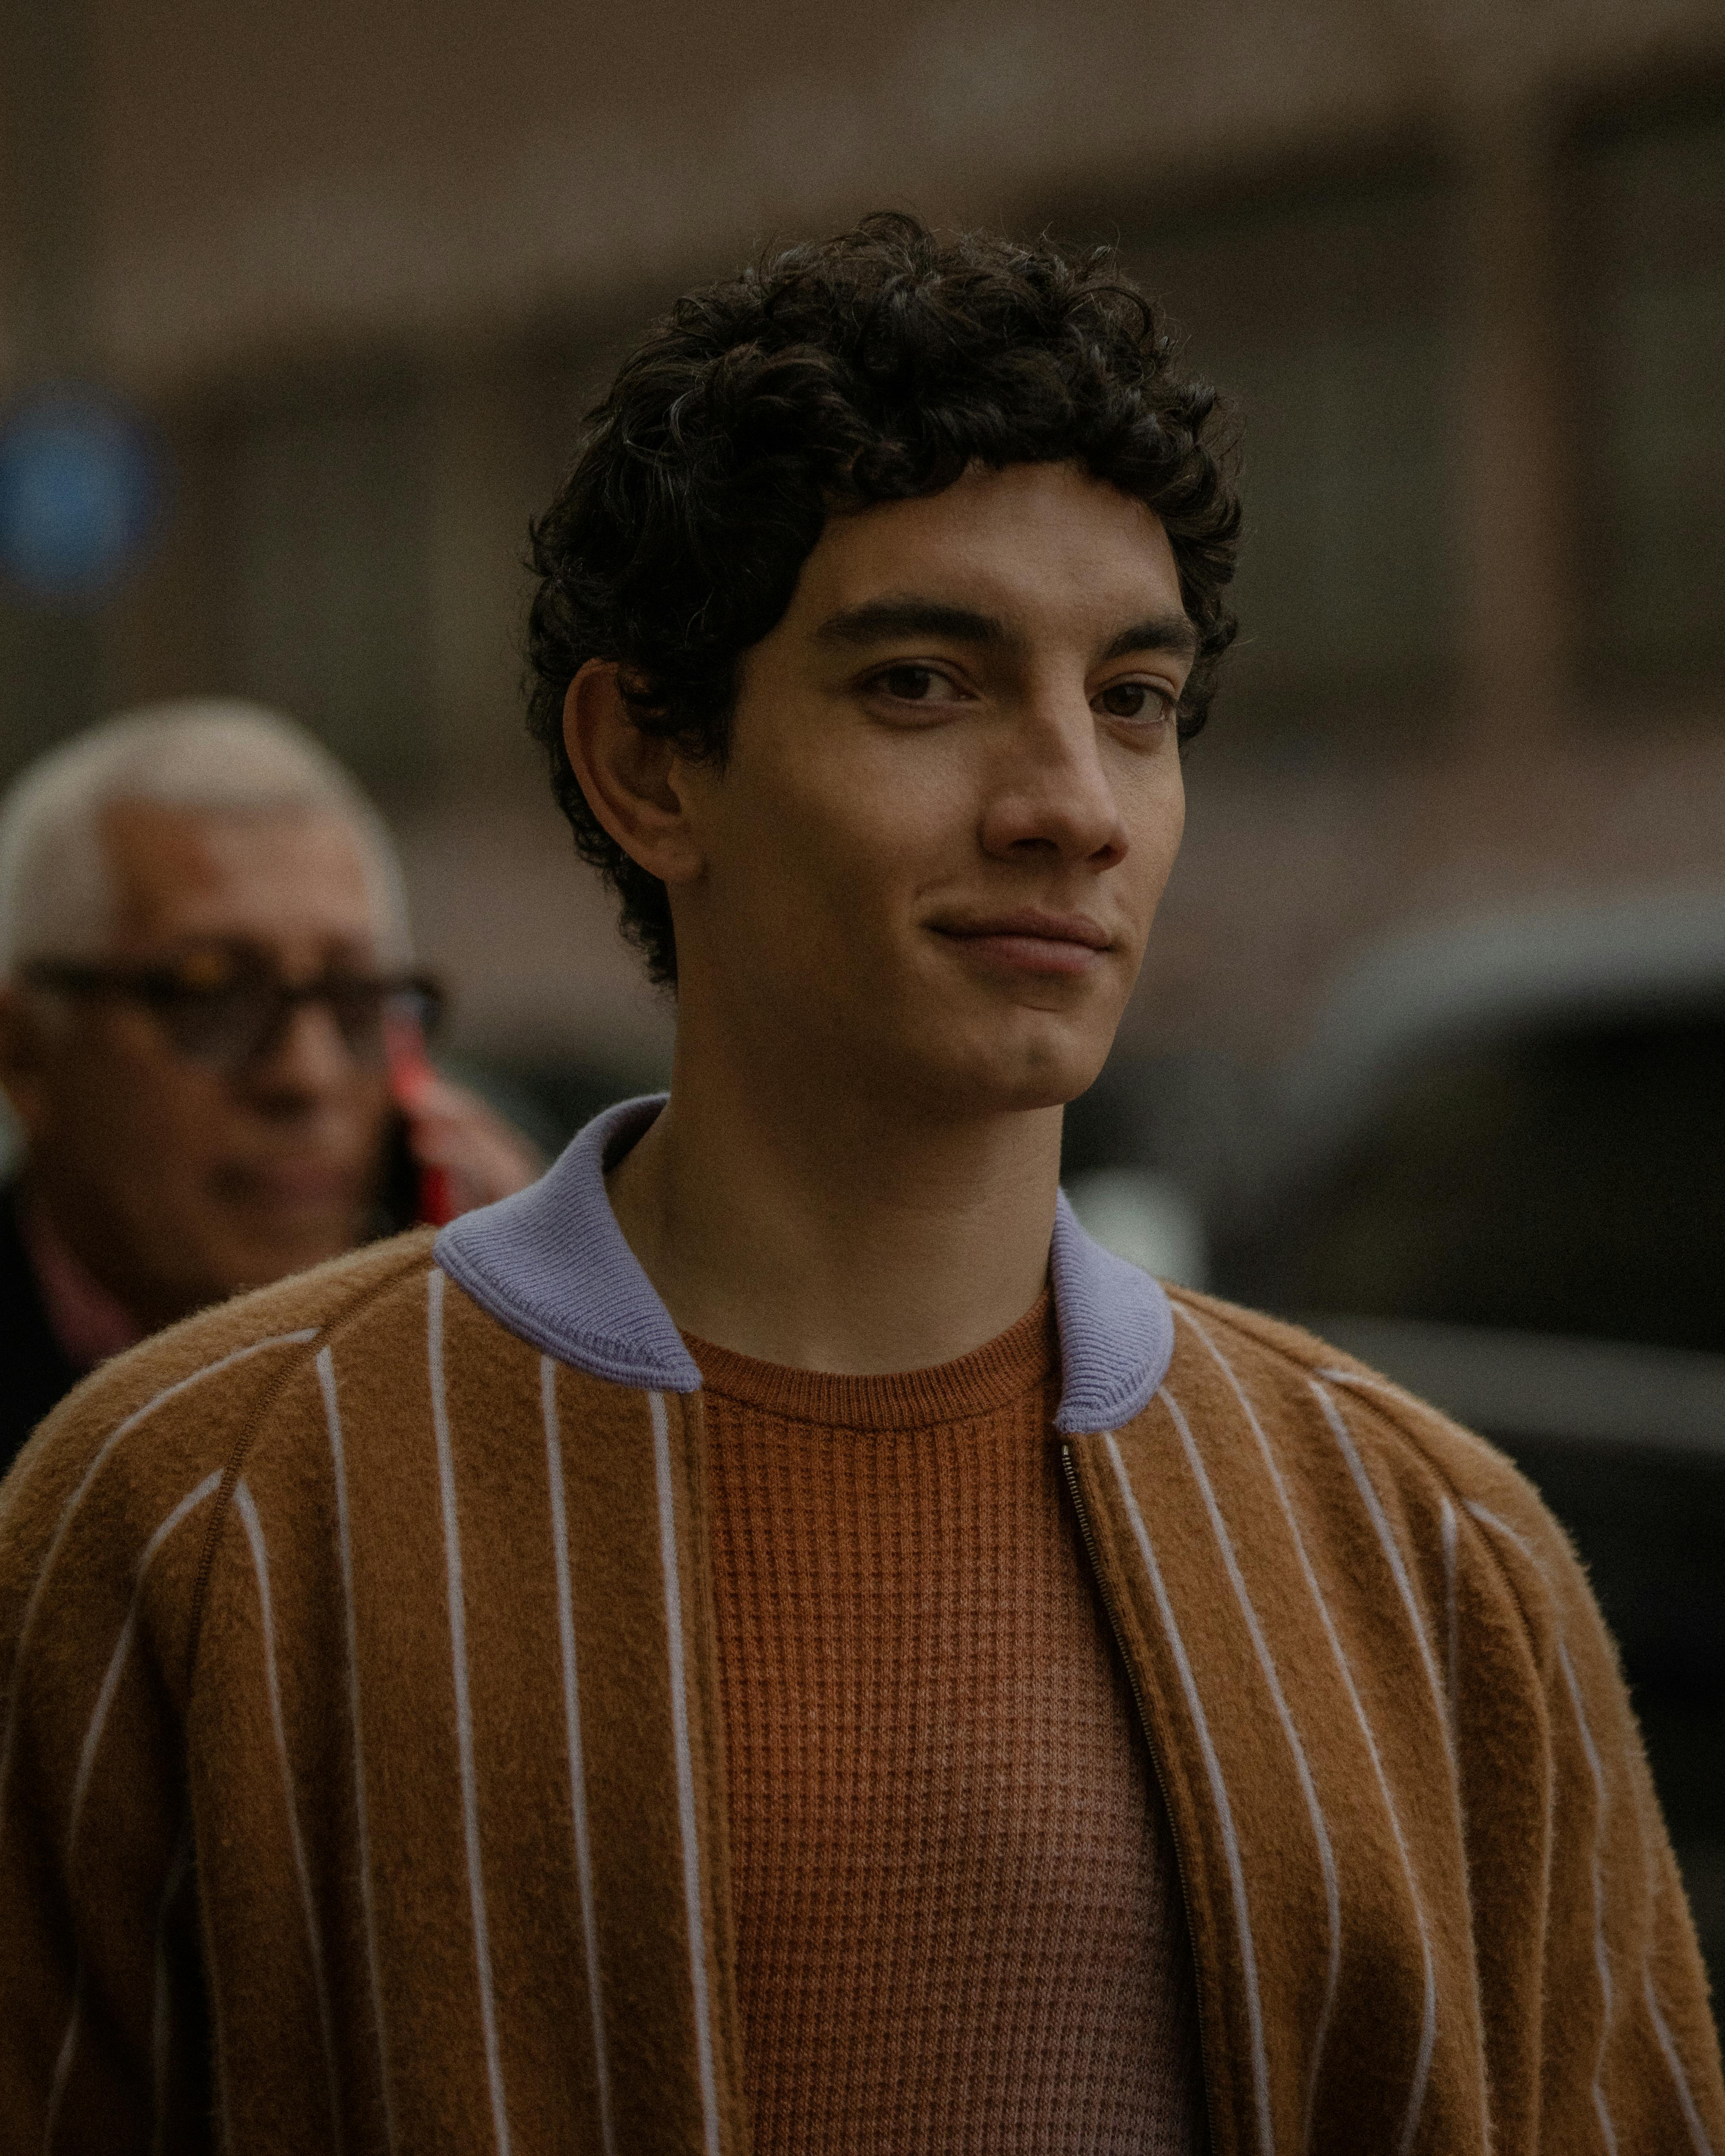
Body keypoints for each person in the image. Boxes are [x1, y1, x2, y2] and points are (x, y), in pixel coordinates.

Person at [1, 218, 1719, 2154]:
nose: (1066, 797)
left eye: (1134, 700)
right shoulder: (195, 1511)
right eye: (922, 681)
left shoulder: (1427, 1559)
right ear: (647, 765)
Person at [0, 700, 539, 1474]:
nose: (306, 1075)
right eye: (208, 994)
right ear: (26, 1055)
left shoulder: (481, 1351)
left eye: (355, 997)